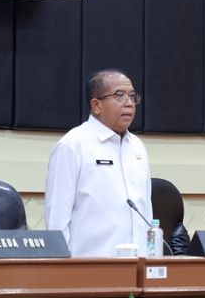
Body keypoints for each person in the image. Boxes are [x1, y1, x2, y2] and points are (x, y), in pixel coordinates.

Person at [44, 69, 153, 257]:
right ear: (96, 105)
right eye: (119, 96)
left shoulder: (137, 147)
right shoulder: (73, 145)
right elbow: (57, 218)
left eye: (132, 96)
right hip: (90, 267)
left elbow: (146, 210)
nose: (129, 103)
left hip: (138, 265)